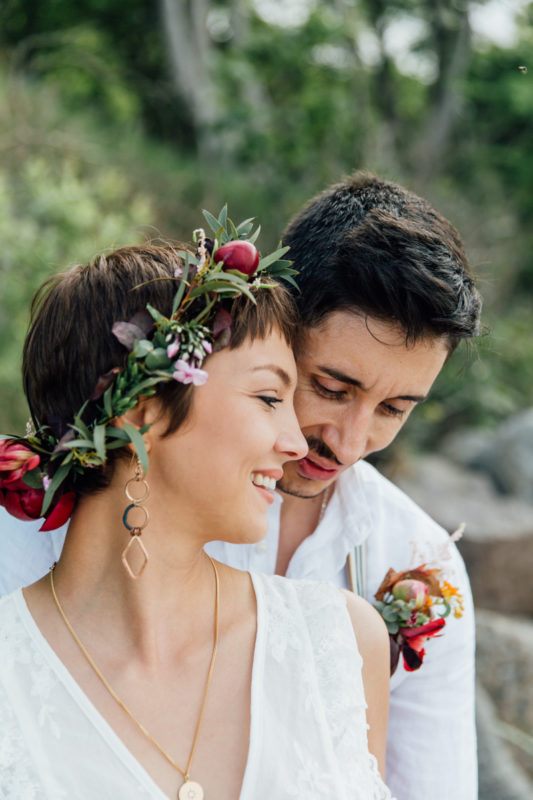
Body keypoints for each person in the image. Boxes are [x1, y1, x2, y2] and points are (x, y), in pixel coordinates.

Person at [0, 171, 480, 799]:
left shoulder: (417, 561)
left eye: (395, 410)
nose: (348, 442)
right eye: (329, 389)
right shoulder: (35, 520)